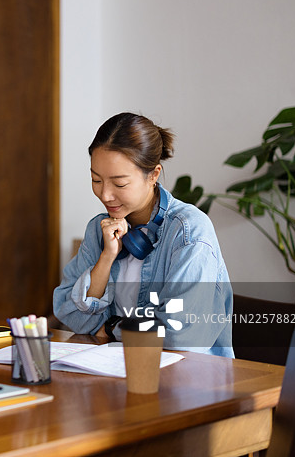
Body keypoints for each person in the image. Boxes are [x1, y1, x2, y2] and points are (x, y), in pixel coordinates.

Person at [53, 113, 233, 357]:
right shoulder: (99, 229)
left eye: (119, 184)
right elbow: (70, 312)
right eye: (96, 180)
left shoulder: (189, 231)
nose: (105, 195)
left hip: (186, 374)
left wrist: (113, 327)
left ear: (154, 175)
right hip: (116, 368)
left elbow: (180, 335)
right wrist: (107, 257)